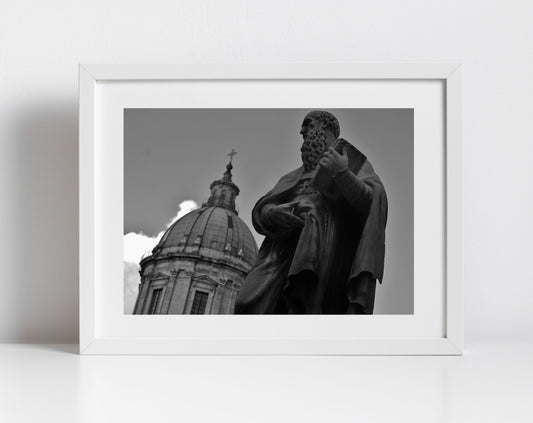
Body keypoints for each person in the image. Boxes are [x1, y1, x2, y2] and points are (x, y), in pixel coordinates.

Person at [235, 111, 387, 314]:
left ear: (325, 126)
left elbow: (372, 201)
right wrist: (272, 213)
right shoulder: (293, 175)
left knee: (303, 308)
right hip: (279, 252)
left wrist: (342, 173)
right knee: (244, 302)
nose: (301, 131)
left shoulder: (350, 161)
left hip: (326, 249)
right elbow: (262, 209)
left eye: (308, 124)